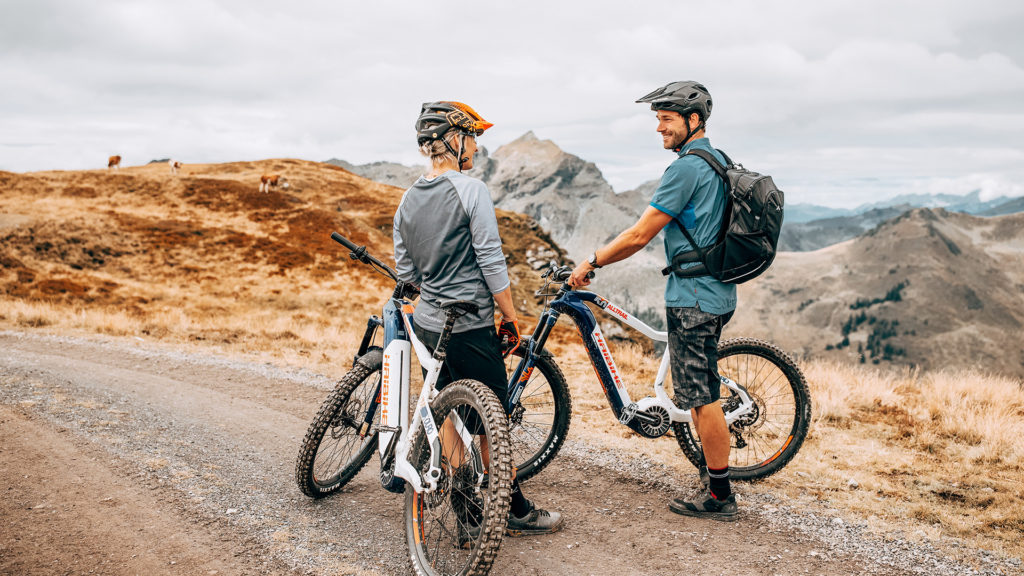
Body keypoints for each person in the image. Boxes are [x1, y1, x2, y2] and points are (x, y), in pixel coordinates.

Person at [568, 81, 738, 521]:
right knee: (700, 390)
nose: (659, 128)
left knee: (702, 397)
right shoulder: (717, 159)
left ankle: (720, 495)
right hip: (715, 290)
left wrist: (593, 261)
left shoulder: (685, 169)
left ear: (693, 120)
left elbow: (639, 234)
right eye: (657, 119)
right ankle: (712, 475)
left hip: (693, 297)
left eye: (667, 119)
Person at [393, 101, 563, 535]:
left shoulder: (407, 200)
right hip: (469, 324)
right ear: (453, 140)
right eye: (471, 137)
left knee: (451, 410)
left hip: (429, 325)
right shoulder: (471, 191)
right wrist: (510, 316)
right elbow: (491, 261)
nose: (474, 147)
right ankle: (515, 508)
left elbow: (407, 273)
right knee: (493, 421)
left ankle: (466, 512)